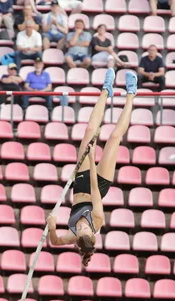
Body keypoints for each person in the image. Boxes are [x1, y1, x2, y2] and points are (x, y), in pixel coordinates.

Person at [47, 69, 137, 266]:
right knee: (113, 139)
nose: (80, 227)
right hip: (99, 184)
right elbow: (95, 188)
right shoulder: (96, 220)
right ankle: (131, 95)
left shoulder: (73, 236)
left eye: (79, 231)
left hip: (79, 186)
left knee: (89, 131)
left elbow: (54, 242)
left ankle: (105, 90)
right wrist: (90, 157)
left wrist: (52, 226)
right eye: (84, 229)